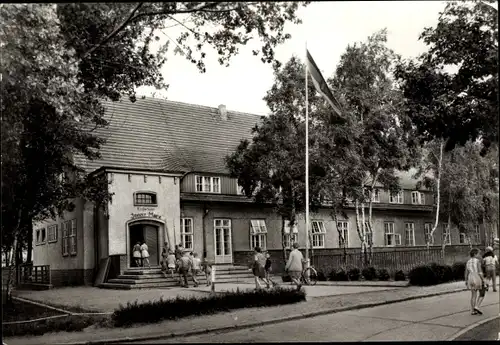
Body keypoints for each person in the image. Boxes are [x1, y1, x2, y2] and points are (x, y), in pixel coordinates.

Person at [465, 248, 485, 315]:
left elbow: (466, 272)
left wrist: (466, 280)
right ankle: (477, 307)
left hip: (470, 277)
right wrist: (483, 280)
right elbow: (480, 272)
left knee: (473, 295)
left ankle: (473, 311)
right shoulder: (477, 261)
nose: (479, 255)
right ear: (475, 254)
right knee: (482, 292)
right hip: (476, 277)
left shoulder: (468, 261)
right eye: (478, 254)